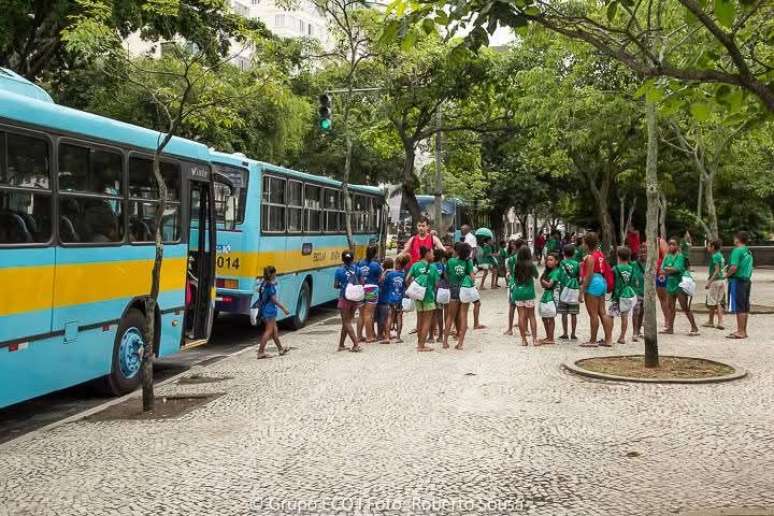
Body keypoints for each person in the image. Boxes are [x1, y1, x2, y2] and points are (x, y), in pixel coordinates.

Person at [579, 232, 613, 347]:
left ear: (586, 244)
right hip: (602, 281)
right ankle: (608, 339)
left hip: (593, 282)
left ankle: (592, 340)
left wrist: (582, 291)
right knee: (602, 312)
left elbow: (588, 276)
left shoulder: (590, 257)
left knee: (593, 314)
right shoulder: (600, 254)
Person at [661, 237, 700, 336]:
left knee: (685, 307)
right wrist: (669, 269)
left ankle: (694, 327)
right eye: (669, 244)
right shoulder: (667, 257)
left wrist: (667, 269)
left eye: (673, 244)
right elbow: (662, 269)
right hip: (670, 284)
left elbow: (677, 269)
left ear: (677, 246)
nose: (671, 246)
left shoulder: (680, 256)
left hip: (680, 285)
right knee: (670, 307)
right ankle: (670, 328)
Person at [406, 246, 441, 352]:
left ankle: (419, 342)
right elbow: (437, 284)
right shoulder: (433, 268)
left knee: (420, 320)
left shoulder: (415, 265)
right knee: (427, 321)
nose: (433, 255)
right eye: (432, 253)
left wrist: (413, 288)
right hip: (429, 297)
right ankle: (422, 346)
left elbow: (407, 279)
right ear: (427, 254)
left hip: (418, 296)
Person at [443, 242, 475, 350]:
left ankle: (445, 342)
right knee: (464, 316)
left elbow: (446, 275)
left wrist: (451, 282)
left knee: (450, 316)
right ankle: (460, 343)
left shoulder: (450, 261)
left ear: (457, 251)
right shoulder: (468, 262)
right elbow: (472, 278)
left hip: (454, 288)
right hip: (464, 288)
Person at [255, 266, 289, 359]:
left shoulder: (263, 283)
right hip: (270, 311)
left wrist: (273, 283)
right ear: (273, 274)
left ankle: (280, 349)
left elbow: (262, 292)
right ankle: (260, 352)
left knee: (274, 331)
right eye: (275, 273)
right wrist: (284, 308)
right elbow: (274, 300)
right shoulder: (270, 286)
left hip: (264, 309)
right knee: (269, 331)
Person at [726, 231, 754, 339]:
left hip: (738, 281)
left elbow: (733, 267)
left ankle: (740, 331)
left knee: (739, 307)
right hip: (747, 280)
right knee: (745, 306)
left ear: (737, 239)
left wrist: (727, 275)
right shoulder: (748, 251)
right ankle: (743, 330)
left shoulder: (737, 251)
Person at [334, 251, 363, 352]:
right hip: (354, 299)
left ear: (342, 259)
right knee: (347, 322)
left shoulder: (339, 270)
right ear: (352, 259)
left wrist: (343, 285)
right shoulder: (358, 269)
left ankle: (356, 344)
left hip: (344, 298)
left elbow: (335, 285)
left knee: (346, 322)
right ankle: (341, 345)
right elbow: (361, 283)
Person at [511, 246, 539, 346]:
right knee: (531, 316)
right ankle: (535, 340)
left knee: (521, 316)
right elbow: (536, 276)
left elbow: (514, 278)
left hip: (518, 293)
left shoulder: (516, 265)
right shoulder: (531, 265)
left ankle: (523, 340)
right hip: (529, 293)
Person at [609, 246, 636, 344]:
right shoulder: (631, 268)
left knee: (611, 315)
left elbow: (611, 282)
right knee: (625, 316)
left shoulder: (615, 268)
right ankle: (622, 337)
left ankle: (609, 336)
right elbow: (632, 282)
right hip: (627, 295)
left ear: (618, 256)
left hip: (617, 295)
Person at [356, 245, 383, 343]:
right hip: (372, 288)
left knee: (361, 314)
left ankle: (359, 336)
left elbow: (357, 276)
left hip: (361, 289)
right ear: (375, 253)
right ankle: (369, 336)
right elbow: (380, 279)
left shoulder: (359, 263)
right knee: (369, 314)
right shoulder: (376, 265)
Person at [557, 244, 580, 341]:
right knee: (574, 313)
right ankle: (573, 334)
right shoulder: (577, 264)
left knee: (564, 313)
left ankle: (565, 333)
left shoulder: (562, 263)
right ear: (574, 253)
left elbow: (560, 276)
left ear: (564, 253)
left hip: (564, 289)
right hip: (574, 289)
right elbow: (579, 276)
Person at [384, 254, 409, 343]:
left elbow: (385, 284)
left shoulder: (390, 274)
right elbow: (407, 285)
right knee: (399, 317)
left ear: (397, 264)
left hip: (391, 298)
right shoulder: (404, 275)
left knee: (389, 317)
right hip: (400, 299)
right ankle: (398, 337)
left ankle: (387, 337)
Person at [703, 239, 726, 331]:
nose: (708, 247)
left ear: (713, 247)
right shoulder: (721, 255)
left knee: (712, 301)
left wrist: (709, 282)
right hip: (721, 281)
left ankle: (710, 321)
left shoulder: (715, 256)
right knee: (719, 302)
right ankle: (720, 322)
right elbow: (721, 270)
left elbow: (716, 271)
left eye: (709, 246)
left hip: (715, 281)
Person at [539, 252, 561, 345]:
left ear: (556, 261)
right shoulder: (549, 272)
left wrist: (542, 280)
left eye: (551, 260)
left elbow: (549, 284)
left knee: (550, 317)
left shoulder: (556, 272)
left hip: (551, 296)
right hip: (546, 295)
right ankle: (548, 336)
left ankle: (551, 338)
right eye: (548, 260)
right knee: (544, 317)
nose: (548, 262)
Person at [504, 239, 523, 336]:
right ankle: (525, 329)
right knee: (523, 307)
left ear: (515, 246)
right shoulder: (527, 259)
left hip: (514, 284)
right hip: (524, 285)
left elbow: (510, 272)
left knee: (512, 306)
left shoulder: (511, 259)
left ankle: (510, 329)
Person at [429, 247, 447, 343]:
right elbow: (445, 278)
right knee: (440, 314)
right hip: (440, 293)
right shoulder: (442, 265)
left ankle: (431, 336)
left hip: (431, 292)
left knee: (431, 314)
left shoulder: (430, 266)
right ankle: (440, 336)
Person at [631, 242, 647, 342]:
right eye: (641, 251)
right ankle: (635, 332)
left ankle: (639, 330)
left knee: (642, 312)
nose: (643, 253)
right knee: (636, 312)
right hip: (636, 291)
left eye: (645, 252)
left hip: (645, 292)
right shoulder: (633, 264)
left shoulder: (650, 264)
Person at [376, 257, 394, 343]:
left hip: (382, 297)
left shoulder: (384, 274)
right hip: (388, 298)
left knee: (382, 318)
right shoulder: (393, 273)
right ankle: (386, 334)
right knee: (386, 317)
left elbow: (380, 282)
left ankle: (381, 334)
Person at [655, 236, 670, 321]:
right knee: (660, 298)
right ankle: (666, 318)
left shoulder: (660, 241)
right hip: (654, 273)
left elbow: (666, 257)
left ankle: (668, 320)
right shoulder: (647, 241)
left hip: (661, 273)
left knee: (664, 298)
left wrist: (662, 270)